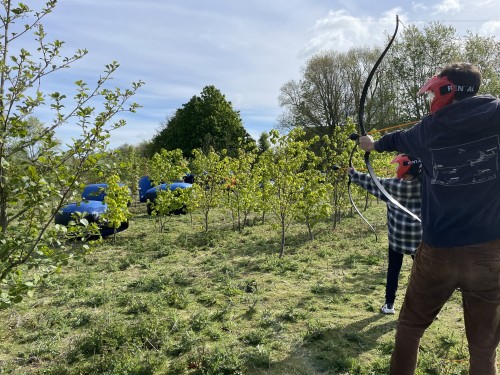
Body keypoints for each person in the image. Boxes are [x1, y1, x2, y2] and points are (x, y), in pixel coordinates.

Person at [358, 62, 500, 375]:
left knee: (409, 326)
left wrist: (370, 144)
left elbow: (393, 141)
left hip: (440, 250)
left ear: (446, 90)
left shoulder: (429, 129)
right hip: (490, 251)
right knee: (483, 345)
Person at [349, 154, 422, 315]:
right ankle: (427, 308)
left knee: (393, 271)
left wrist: (353, 173)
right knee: (423, 274)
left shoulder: (393, 185)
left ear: (405, 168)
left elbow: (372, 181)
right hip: (418, 240)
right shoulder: (426, 186)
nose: (396, 169)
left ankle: (389, 305)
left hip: (397, 239)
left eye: (398, 166)